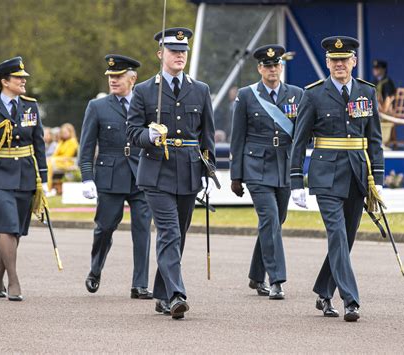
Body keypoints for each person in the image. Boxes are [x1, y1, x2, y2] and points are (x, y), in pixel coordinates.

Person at [290, 36, 384, 322]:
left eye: (345, 60)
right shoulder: (314, 94)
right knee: (338, 235)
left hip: (357, 174)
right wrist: (297, 180)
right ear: (327, 63)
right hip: (326, 176)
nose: (340, 65)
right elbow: (300, 140)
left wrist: (377, 179)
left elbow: (375, 139)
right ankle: (350, 300)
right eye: (334, 60)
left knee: (347, 239)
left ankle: (323, 290)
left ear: (354, 61)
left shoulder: (367, 92)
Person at [126, 27, 216, 319]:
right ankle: (177, 294)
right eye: (173, 51)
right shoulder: (143, 91)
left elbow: (207, 136)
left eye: (183, 51)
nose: (179, 55)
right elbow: (131, 132)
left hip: (189, 170)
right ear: (160, 54)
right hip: (156, 171)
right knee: (169, 232)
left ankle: (162, 294)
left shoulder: (200, 90)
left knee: (180, 235)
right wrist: (147, 135)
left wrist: (208, 170)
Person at [0, 56, 48, 301]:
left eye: (24, 77)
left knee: (17, 231)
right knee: (7, 225)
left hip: (25, 173)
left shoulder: (30, 106)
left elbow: (39, 143)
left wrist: (43, 178)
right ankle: (14, 281)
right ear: (4, 81)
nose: (23, 81)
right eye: (18, 78)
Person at [230, 44, 303, 300]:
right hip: (256, 167)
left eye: (276, 65)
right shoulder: (247, 95)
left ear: (281, 67)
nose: (273, 70)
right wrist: (235, 176)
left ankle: (255, 275)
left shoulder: (296, 94)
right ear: (260, 68)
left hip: (284, 165)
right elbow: (237, 137)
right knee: (270, 220)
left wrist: (300, 172)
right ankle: (277, 280)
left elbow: (301, 135)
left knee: (274, 221)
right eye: (268, 66)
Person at [79, 54, 153, 299]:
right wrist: (87, 177)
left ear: (133, 79)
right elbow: (87, 145)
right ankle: (95, 269)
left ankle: (139, 283)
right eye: (111, 76)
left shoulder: (146, 104)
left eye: (118, 76)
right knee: (105, 228)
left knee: (142, 230)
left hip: (142, 173)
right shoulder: (97, 106)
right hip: (110, 176)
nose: (113, 80)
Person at [46, 122, 78, 195]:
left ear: (70, 132)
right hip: (58, 161)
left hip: (68, 162)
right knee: (47, 163)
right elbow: (55, 154)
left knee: (49, 165)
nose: (63, 134)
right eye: (62, 132)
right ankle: (46, 187)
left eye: (65, 132)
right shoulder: (61, 142)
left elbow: (67, 156)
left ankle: (48, 188)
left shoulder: (72, 142)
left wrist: (53, 159)